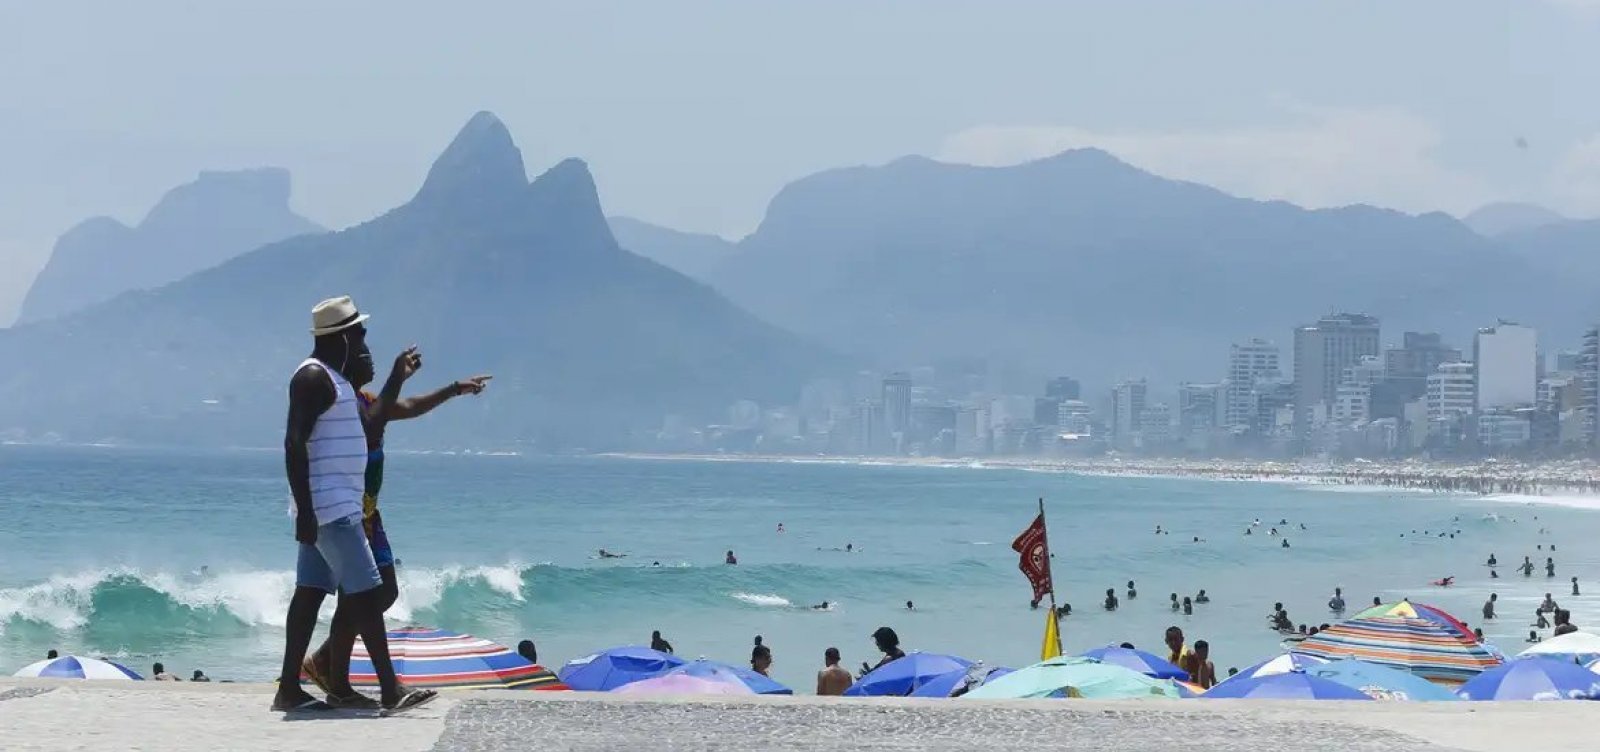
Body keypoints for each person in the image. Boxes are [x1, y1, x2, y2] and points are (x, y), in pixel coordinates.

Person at [300, 325, 490, 707]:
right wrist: (396, 376)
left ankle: (327, 667)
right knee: (368, 593)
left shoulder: (368, 401)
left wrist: (453, 389)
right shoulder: (348, 408)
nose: (369, 357)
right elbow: (375, 422)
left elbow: (408, 407)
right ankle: (338, 676)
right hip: (350, 512)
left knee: (375, 593)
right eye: (364, 355)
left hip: (369, 514)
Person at [271, 296, 434, 714]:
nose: (363, 341)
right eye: (358, 333)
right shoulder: (312, 378)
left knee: (309, 594)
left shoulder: (338, 383)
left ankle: (289, 688)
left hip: (334, 507)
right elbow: (293, 443)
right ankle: (390, 689)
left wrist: (397, 378)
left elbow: (372, 423)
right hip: (330, 510)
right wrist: (305, 510)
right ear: (340, 337)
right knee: (367, 592)